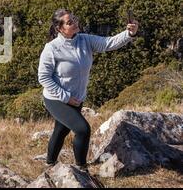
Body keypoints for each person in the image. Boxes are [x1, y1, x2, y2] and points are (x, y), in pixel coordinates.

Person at [37, 9, 139, 170]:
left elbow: (108, 43)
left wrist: (129, 34)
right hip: (56, 99)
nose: (75, 22)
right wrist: (66, 98)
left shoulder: (84, 40)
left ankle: (50, 163)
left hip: (76, 98)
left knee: (61, 129)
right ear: (60, 28)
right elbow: (43, 77)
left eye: (74, 19)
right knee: (83, 130)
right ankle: (81, 168)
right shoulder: (51, 48)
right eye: (70, 22)